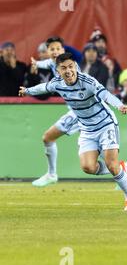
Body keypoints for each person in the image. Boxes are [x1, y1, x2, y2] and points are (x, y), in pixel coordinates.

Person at [19, 52, 127, 211]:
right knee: (88, 167)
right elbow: (43, 87)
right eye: (63, 68)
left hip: (105, 124)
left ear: (75, 66)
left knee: (111, 164)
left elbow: (105, 94)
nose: (68, 71)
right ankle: (121, 169)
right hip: (87, 129)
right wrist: (27, 90)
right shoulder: (57, 83)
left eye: (70, 67)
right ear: (58, 70)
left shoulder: (87, 81)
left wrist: (119, 105)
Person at [28, 36, 81, 187]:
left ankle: (52, 174)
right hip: (79, 112)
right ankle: (122, 170)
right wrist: (35, 64)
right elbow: (45, 63)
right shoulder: (52, 63)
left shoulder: (70, 68)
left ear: (64, 51)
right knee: (93, 153)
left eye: (58, 49)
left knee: (48, 138)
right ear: (48, 51)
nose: (55, 52)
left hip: (80, 112)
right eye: (52, 49)